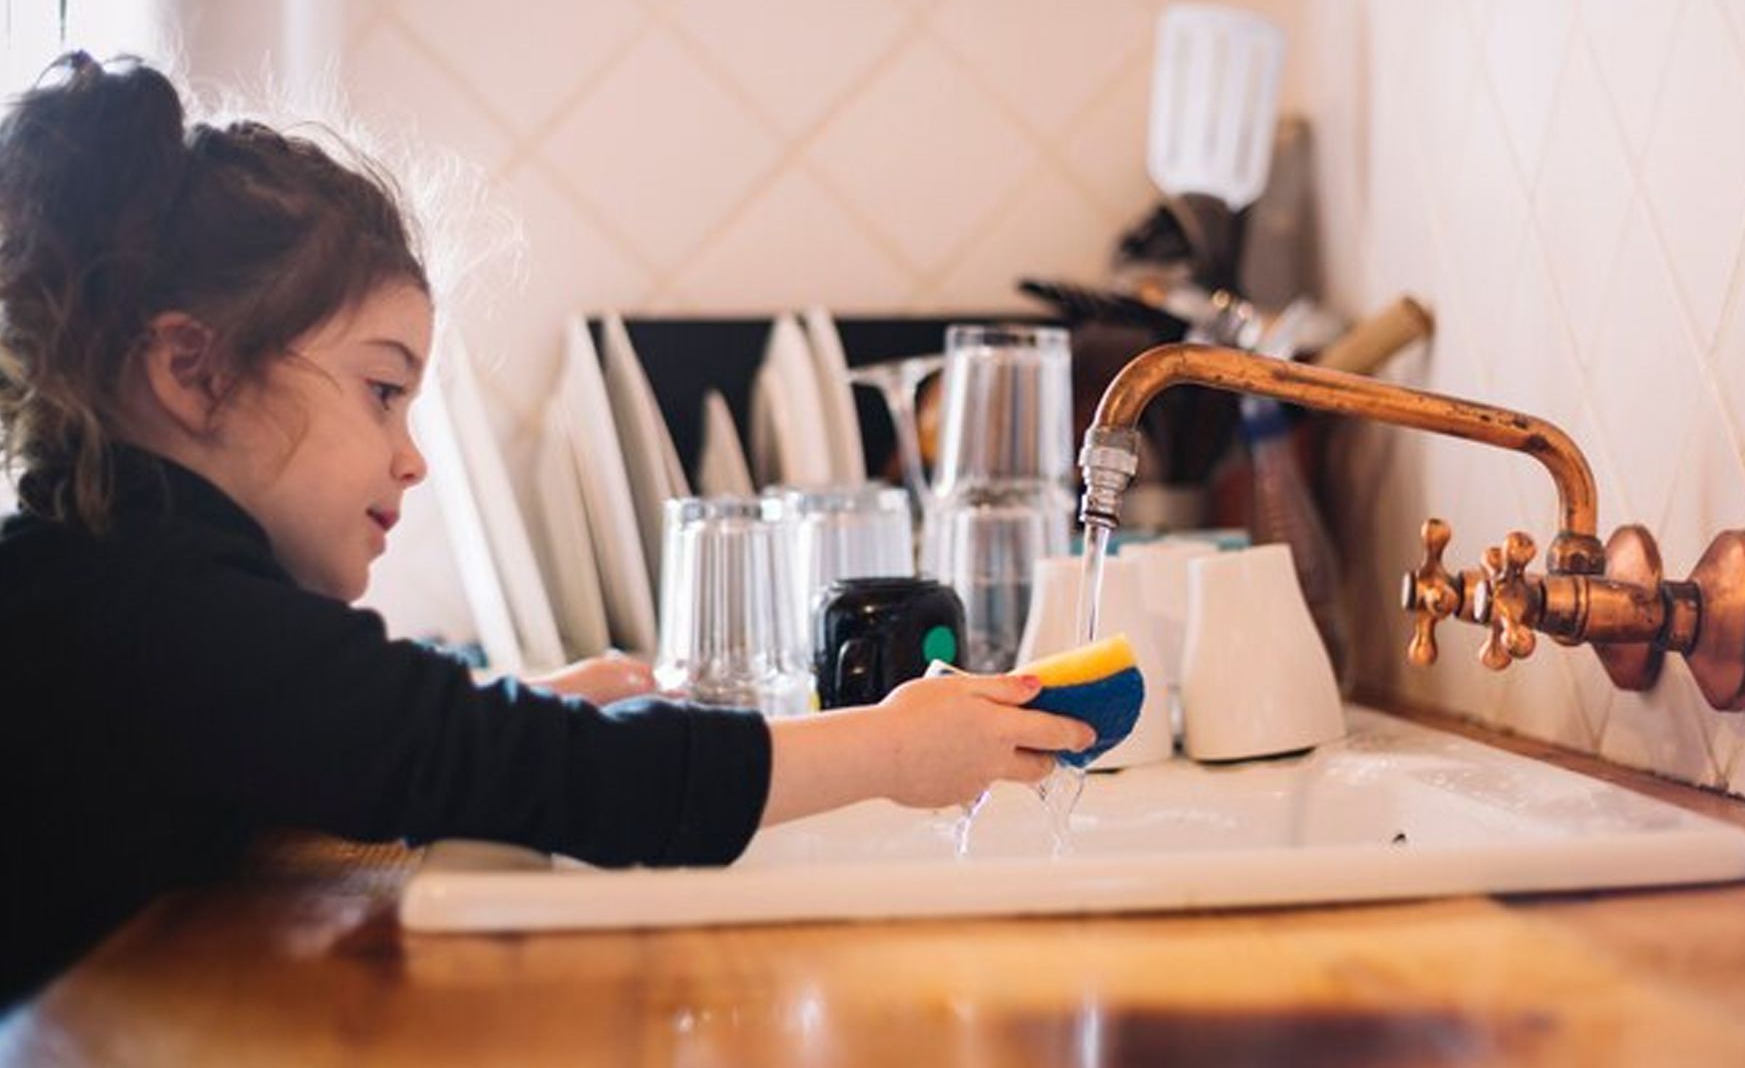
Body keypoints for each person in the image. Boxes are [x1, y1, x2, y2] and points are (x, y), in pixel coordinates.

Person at [0, 54, 1094, 1005]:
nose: (413, 453)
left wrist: (515, 709)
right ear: (195, 369)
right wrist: (897, 747)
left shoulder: (114, 583)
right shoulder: (162, 611)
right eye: (383, 389)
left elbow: (362, 741)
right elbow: (552, 776)